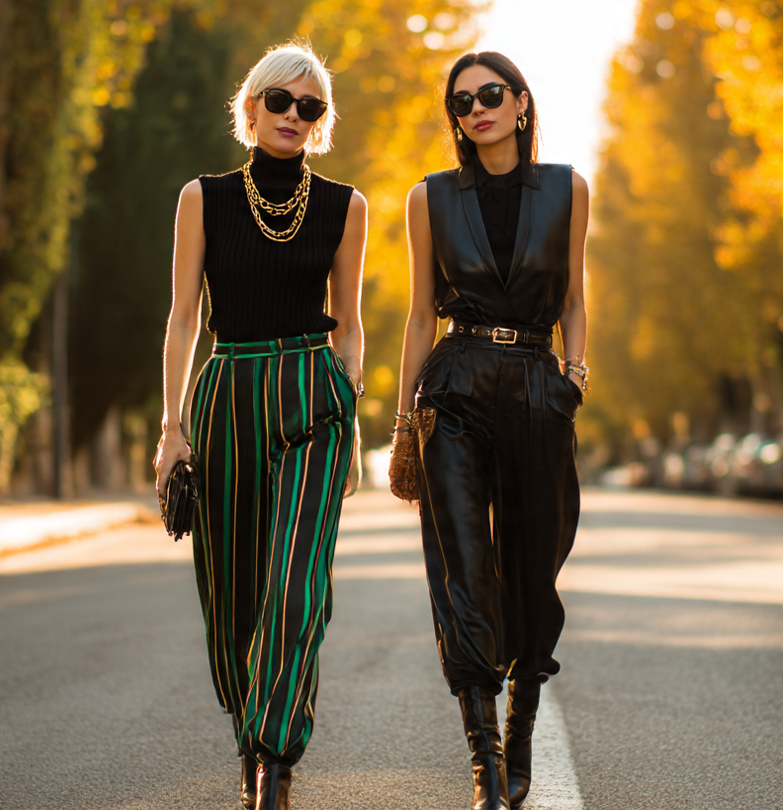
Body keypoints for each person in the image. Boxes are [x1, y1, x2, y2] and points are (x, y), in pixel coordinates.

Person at [154, 41, 365, 810]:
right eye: (280, 101)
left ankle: (274, 763)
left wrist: (351, 388)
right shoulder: (201, 198)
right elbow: (183, 320)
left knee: (296, 585)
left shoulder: (347, 206)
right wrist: (171, 428)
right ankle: (251, 734)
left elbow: (353, 323)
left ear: (321, 121)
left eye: (310, 107)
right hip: (230, 389)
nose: (293, 116)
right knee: (236, 586)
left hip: (313, 390)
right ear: (250, 108)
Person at [394, 51, 589, 810]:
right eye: (462, 102)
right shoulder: (430, 199)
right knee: (464, 572)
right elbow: (419, 314)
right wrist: (406, 417)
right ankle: (486, 762)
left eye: (490, 95)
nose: (476, 109)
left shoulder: (569, 189)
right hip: (457, 387)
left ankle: (525, 729)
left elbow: (574, 296)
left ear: (521, 103)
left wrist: (574, 377)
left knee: (532, 570)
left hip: (539, 387)